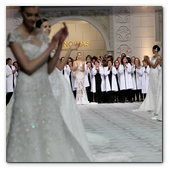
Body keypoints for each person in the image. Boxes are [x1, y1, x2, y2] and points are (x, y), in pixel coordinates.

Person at [6, 6, 93, 162]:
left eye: (49, 27)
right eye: (45, 26)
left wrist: (68, 50)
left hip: (56, 83)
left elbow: (58, 67)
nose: (48, 29)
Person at [133, 45, 162, 112]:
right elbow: (150, 65)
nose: (152, 50)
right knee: (151, 88)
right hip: (151, 72)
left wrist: (148, 60)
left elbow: (154, 66)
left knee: (155, 88)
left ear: (155, 49)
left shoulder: (158, 57)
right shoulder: (153, 57)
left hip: (155, 73)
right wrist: (147, 60)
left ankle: (156, 104)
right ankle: (150, 104)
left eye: (152, 49)